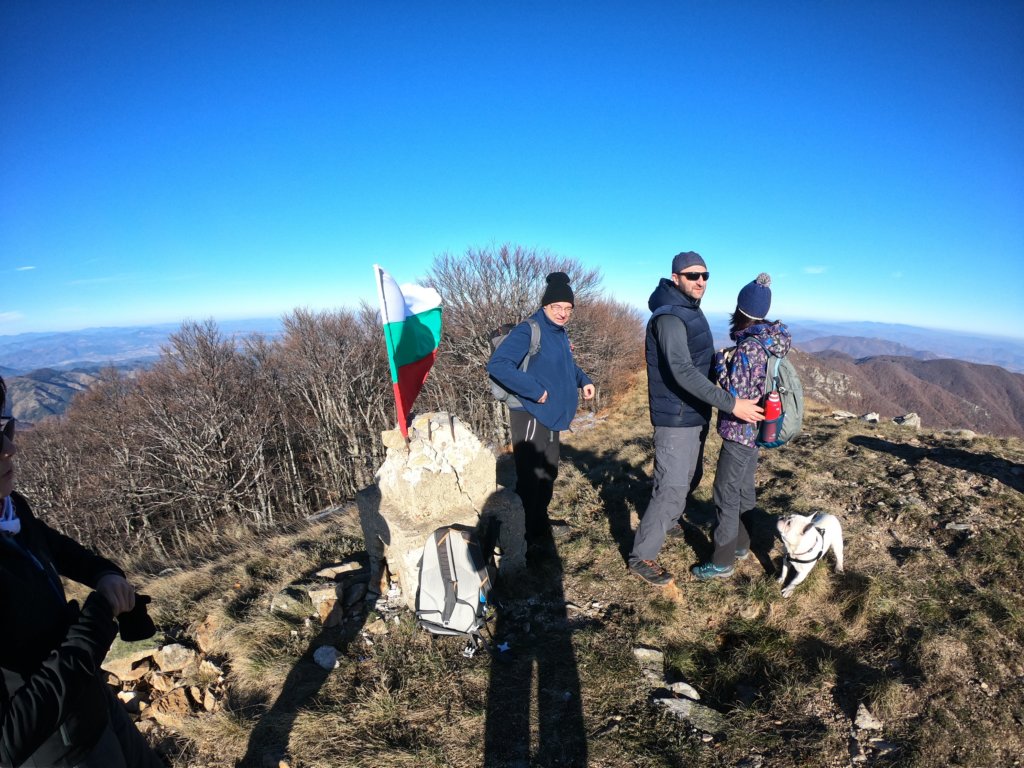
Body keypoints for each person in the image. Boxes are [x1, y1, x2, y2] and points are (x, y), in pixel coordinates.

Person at [0, 377, 164, 768]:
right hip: (62, 751)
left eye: (4, 427)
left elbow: (58, 548)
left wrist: (105, 573)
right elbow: (7, 740)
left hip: (93, 701)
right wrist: (98, 617)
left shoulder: (10, 508)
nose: (10, 447)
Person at [628, 252, 763, 586]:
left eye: (705, 275)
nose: (700, 281)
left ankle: (670, 520)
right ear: (676, 278)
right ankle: (641, 555)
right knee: (671, 486)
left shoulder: (689, 309)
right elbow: (682, 371)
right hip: (676, 417)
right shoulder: (670, 317)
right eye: (692, 275)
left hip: (693, 412)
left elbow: (698, 361)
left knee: (691, 476)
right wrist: (732, 403)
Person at [692, 273, 792, 580]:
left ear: (740, 309)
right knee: (744, 488)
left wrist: (720, 363)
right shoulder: (771, 341)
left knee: (725, 491)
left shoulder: (749, 347)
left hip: (741, 430)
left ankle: (722, 560)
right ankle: (741, 543)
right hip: (760, 429)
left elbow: (735, 395)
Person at [487, 272, 596, 549]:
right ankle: (521, 536)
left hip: (551, 413)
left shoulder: (559, 332)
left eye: (568, 308)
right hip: (529, 411)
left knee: (548, 472)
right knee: (530, 477)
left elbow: (566, 365)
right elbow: (498, 365)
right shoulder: (529, 329)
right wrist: (534, 391)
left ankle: (538, 523)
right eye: (556, 306)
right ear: (545, 306)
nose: (563, 313)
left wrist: (584, 380)